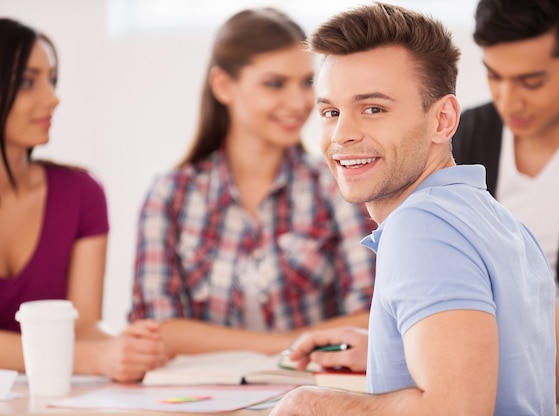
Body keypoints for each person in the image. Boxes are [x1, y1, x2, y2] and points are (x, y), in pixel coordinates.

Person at [269, 3, 559, 415]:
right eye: (331, 111)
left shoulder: (420, 228)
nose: (342, 134)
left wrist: (309, 405)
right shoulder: (499, 221)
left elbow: (454, 410)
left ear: (443, 120)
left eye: (373, 108)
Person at [129, 8, 376, 356]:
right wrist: (284, 346)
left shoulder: (337, 184)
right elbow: (155, 330)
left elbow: (371, 318)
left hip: (309, 394)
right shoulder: (170, 194)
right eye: (274, 83)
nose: (298, 102)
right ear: (223, 85)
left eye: (306, 82)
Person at [0, 18, 167, 382]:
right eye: (28, 82)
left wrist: (127, 345)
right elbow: (87, 352)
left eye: (51, 79)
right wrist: (94, 358)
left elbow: (85, 325)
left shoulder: (80, 193)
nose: (53, 97)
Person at [452, 0, 559, 344]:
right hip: (485, 356)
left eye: (531, 81)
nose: (509, 101)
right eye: (494, 75)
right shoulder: (466, 134)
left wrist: (528, 331)